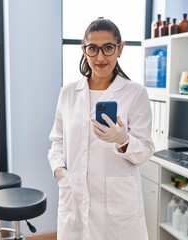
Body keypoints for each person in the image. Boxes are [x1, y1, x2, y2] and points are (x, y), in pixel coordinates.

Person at [47, 17, 155, 240]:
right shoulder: (68, 92)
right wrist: (60, 173)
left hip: (117, 206)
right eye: (93, 48)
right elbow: (57, 140)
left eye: (108, 48)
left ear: (120, 49)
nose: (100, 57)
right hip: (74, 197)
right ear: (83, 50)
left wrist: (123, 140)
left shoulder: (135, 93)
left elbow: (145, 151)